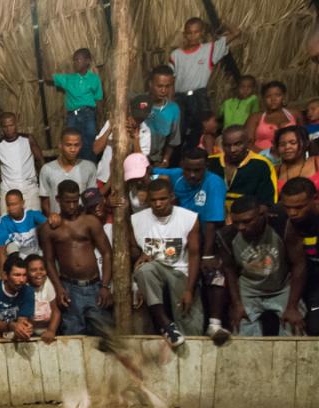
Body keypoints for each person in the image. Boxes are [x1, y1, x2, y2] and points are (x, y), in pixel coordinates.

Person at [153, 148, 229, 342]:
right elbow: (150, 172)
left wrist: (207, 255)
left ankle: (214, 324)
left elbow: (212, 223)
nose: (192, 175)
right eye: (188, 170)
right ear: (182, 167)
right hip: (179, 235)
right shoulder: (176, 175)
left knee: (214, 273)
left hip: (206, 235)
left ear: (206, 167)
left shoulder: (214, 183)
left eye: (198, 170)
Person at [217, 196, 305, 336]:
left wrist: (292, 306)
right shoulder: (226, 235)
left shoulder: (282, 226)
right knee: (241, 329)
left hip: (282, 287)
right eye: (236, 222)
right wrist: (237, 304)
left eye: (246, 221)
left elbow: (299, 264)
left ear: (262, 215)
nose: (241, 227)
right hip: (249, 289)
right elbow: (229, 270)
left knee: (294, 327)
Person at [131, 178, 202, 348]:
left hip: (180, 273)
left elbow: (194, 255)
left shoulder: (188, 218)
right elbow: (134, 251)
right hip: (153, 273)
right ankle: (166, 325)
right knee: (144, 270)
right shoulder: (136, 220)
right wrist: (139, 257)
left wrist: (189, 290)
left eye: (162, 199)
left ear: (171, 197)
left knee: (193, 330)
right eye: (153, 200)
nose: (158, 204)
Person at [39, 180, 113, 337]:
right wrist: (59, 288)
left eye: (75, 201)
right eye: (68, 202)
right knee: (72, 335)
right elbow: (49, 261)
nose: (72, 206)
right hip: (69, 288)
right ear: (58, 199)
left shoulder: (90, 222)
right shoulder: (49, 228)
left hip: (94, 286)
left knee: (104, 334)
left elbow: (107, 253)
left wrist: (105, 286)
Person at [170, 17, 239, 149]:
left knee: (201, 131)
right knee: (179, 132)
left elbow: (236, 33)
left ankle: (200, 161)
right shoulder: (176, 55)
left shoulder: (209, 50)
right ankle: (178, 162)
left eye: (196, 32)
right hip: (180, 98)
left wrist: (223, 21)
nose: (192, 36)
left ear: (202, 33)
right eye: (189, 33)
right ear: (184, 34)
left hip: (199, 96)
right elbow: (171, 80)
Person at [280, 177, 319, 334]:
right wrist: (291, 306)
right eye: (287, 207)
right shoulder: (292, 225)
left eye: (299, 207)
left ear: (315, 199)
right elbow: (299, 265)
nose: (292, 213)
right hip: (315, 284)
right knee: (315, 329)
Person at [208, 125, 277, 210]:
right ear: (222, 145)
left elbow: (267, 203)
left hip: (248, 218)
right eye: (227, 145)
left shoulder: (262, 165)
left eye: (237, 144)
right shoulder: (210, 163)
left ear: (248, 143)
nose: (232, 150)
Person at [51, 48, 103, 161]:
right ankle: (74, 169)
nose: (75, 63)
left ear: (87, 61)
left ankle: (90, 169)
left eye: (78, 60)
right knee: (71, 143)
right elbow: (49, 77)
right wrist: (42, 57)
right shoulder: (68, 79)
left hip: (89, 114)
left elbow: (98, 99)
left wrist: (99, 120)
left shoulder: (94, 79)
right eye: (74, 60)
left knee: (89, 143)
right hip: (72, 116)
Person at [94, 93, 152, 192]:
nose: (137, 120)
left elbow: (141, 163)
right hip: (105, 177)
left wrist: (135, 138)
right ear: (130, 110)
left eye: (141, 118)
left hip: (128, 180)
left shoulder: (145, 131)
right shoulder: (113, 122)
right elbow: (96, 150)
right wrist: (110, 129)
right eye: (136, 116)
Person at [0, 112, 43, 214]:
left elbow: (40, 160)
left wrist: (43, 184)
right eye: (5, 126)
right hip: (7, 189)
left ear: (16, 124)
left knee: (35, 222)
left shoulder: (28, 139)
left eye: (11, 125)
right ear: (1, 127)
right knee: (6, 222)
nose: (8, 129)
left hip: (29, 188)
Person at [39, 128, 97, 215]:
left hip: (81, 220)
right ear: (60, 145)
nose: (73, 149)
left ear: (81, 145)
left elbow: (92, 197)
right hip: (58, 223)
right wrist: (51, 216)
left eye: (76, 145)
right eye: (68, 145)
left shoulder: (89, 167)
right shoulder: (47, 169)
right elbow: (44, 199)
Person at [0, 253, 35, 340]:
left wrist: (24, 328)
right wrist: (12, 326)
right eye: (17, 275)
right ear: (6, 275)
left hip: (14, 329)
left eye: (24, 275)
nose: (22, 280)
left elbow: (22, 320)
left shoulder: (28, 291)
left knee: (23, 334)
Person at [246, 81, 301, 154]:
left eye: (278, 95)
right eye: (268, 96)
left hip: (292, 156)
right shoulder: (255, 117)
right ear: (263, 99)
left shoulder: (295, 114)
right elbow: (247, 143)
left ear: (283, 96)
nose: (273, 99)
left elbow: (304, 137)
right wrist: (267, 154)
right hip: (262, 158)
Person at [0, 189, 48, 268]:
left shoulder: (33, 214)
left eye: (14, 204)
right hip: (18, 264)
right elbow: (1, 250)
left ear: (22, 203)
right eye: (8, 205)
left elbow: (49, 226)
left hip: (36, 258)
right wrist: (3, 274)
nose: (11, 208)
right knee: (11, 246)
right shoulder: (3, 221)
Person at [145, 65, 181, 167]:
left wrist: (165, 160)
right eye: (160, 86)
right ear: (151, 84)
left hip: (157, 161)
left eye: (167, 86)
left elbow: (173, 140)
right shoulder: (140, 103)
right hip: (137, 158)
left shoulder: (174, 109)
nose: (163, 90)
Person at [23, 254, 60, 343]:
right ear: (26, 273)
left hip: (46, 330)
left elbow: (56, 311)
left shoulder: (47, 283)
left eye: (42, 269)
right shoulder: (23, 287)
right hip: (28, 331)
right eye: (33, 270)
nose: (39, 273)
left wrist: (51, 331)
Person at [275, 126, 319, 193]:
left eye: (293, 143)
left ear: (306, 143)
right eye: (282, 144)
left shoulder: (317, 162)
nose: (287, 147)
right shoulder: (275, 170)